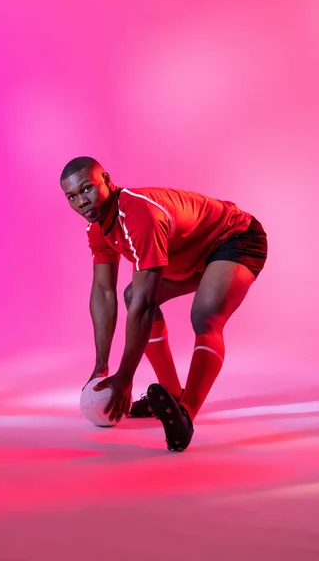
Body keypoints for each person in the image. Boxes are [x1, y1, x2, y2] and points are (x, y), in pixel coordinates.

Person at [60, 156, 268, 452]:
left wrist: (125, 377)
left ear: (106, 180)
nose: (81, 201)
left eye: (87, 189)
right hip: (191, 255)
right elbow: (104, 292)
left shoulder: (138, 214)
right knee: (131, 294)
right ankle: (171, 391)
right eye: (72, 196)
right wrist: (102, 366)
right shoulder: (98, 230)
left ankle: (185, 414)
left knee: (205, 316)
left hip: (234, 239)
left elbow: (145, 304)